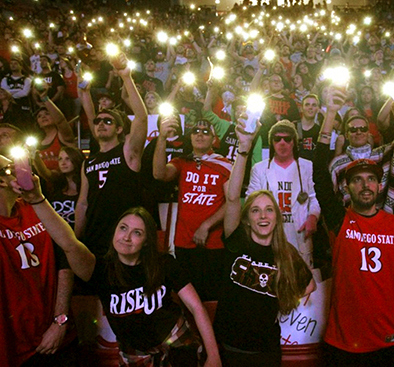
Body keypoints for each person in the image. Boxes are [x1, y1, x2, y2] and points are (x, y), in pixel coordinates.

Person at [15, 175, 222, 367]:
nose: (127, 237)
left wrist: (213, 356)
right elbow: (68, 243)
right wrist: (37, 199)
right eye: (123, 228)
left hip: (177, 342)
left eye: (137, 233)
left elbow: (196, 307)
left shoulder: (164, 263)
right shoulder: (100, 269)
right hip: (135, 353)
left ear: (147, 241)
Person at [215, 118, 315, 367]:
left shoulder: (286, 252)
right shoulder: (237, 240)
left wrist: (286, 300)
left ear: (277, 217)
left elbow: (310, 285)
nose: (262, 216)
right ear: (247, 218)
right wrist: (243, 149)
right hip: (228, 346)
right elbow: (232, 197)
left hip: (266, 350)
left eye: (269, 210)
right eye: (256, 210)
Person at [313, 152, 394, 365]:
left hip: (384, 338)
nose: (365, 184)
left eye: (371, 179)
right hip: (342, 340)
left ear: (380, 186)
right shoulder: (339, 219)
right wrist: (329, 119)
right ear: (347, 188)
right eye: (357, 180)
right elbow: (320, 182)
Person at [0, 154, 76, 366]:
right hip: (12, 345)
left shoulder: (36, 206)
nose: (23, 171)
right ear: (2, 180)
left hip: (52, 337)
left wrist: (60, 321)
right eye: (12, 168)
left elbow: (65, 261)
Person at [75, 53, 147, 258]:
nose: (100, 124)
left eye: (108, 121)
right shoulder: (89, 163)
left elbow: (141, 119)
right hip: (94, 236)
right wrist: (76, 239)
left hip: (125, 237)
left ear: (119, 129)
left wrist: (126, 77)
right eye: (98, 122)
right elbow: (82, 203)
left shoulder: (128, 152)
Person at [153, 118, 232, 301]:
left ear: (214, 139)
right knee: (187, 300)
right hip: (183, 242)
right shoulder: (182, 162)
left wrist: (206, 226)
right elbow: (159, 174)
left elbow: (232, 203)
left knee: (210, 298)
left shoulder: (224, 164)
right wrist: (162, 138)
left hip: (213, 244)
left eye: (206, 131)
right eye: (196, 130)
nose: (200, 134)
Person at [247, 120, 321, 267]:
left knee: (302, 285)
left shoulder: (306, 166)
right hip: (269, 237)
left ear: (294, 142)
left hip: (299, 236)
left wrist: (313, 217)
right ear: (272, 142)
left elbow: (313, 198)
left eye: (287, 139)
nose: (282, 143)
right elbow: (250, 201)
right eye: (277, 139)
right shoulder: (259, 169)